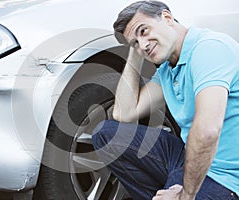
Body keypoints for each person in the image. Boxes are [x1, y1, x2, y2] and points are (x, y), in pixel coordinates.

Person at [92, 1, 239, 199]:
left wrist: (184, 196)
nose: (143, 44)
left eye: (143, 31)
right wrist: (135, 53)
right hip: (188, 156)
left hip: (227, 176)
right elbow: (124, 113)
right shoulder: (168, 69)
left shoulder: (208, 49)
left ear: (167, 18)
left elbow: (207, 132)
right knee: (107, 134)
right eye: (135, 42)